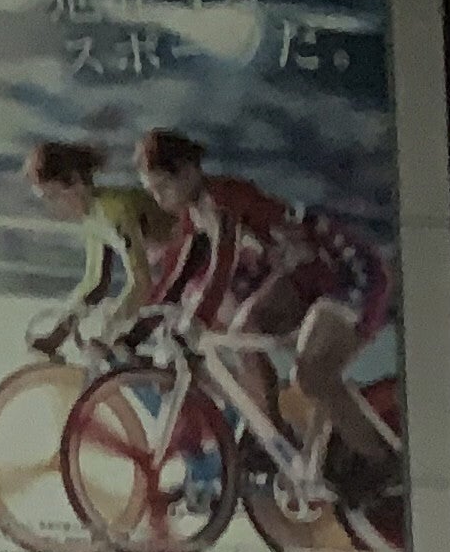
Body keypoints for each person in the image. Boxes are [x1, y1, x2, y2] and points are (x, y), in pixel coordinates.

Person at [133, 129, 395, 490]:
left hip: (346, 269)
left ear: (189, 171)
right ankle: (272, 435)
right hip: (305, 272)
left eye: (162, 187)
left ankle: (381, 462)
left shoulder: (222, 199)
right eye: (152, 192)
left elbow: (222, 262)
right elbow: (180, 275)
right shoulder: (195, 214)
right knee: (244, 330)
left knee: (312, 375)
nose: (159, 200)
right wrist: (139, 329)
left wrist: (198, 319)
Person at [21, 141, 179, 353]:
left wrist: (108, 332)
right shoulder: (93, 217)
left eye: (52, 197)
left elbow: (141, 281)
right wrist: (58, 335)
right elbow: (95, 283)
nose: (50, 208)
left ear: (75, 182)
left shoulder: (115, 210)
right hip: (170, 266)